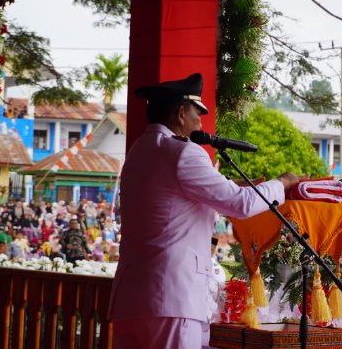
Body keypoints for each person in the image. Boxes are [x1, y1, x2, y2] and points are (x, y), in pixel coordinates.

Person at [108, 73, 300, 348]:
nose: (200, 121)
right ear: (180, 113)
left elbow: (176, 193)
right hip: (172, 299)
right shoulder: (184, 152)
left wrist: (232, 183)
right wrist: (280, 184)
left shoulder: (140, 150)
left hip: (133, 299)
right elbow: (241, 204)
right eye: (197, 112)